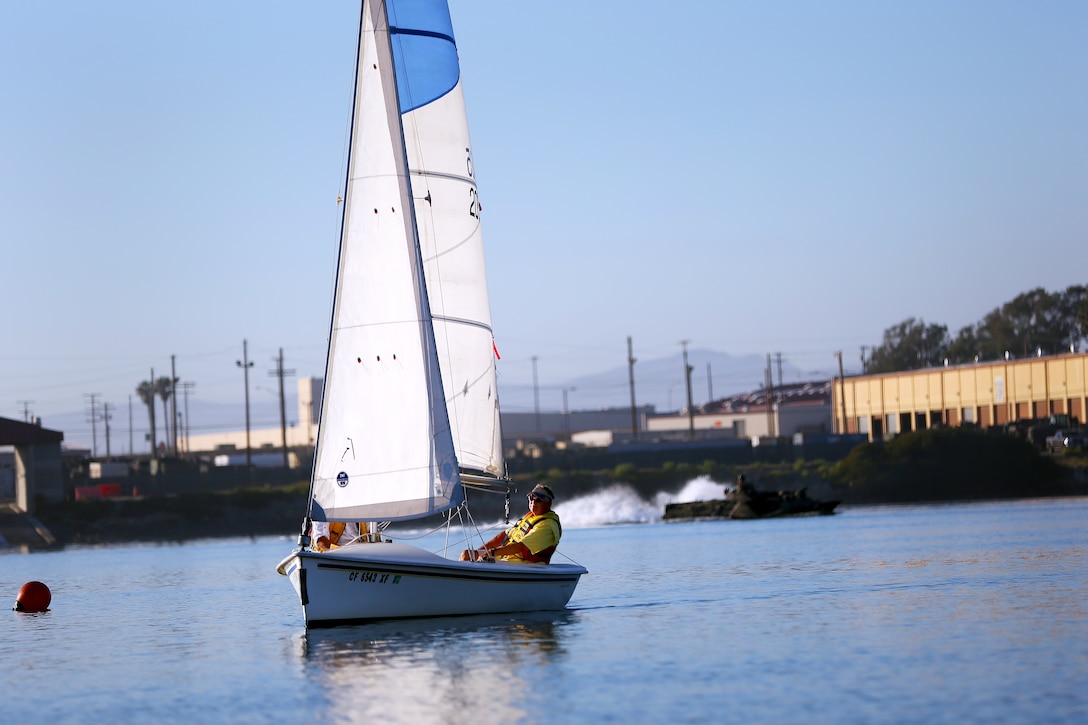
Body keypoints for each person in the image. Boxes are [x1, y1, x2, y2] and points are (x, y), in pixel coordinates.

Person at [461, 484, 562, 564]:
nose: (533, 502)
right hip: (508, 562)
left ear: (548, 504)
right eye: (531, 498)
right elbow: (504, 535)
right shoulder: (530, 517)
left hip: (525, 566)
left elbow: (521, 547)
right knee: (467, 554)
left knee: (466, 555)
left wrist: (491, 553)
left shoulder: (547, 525)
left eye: (538, 500)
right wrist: (480, 552)